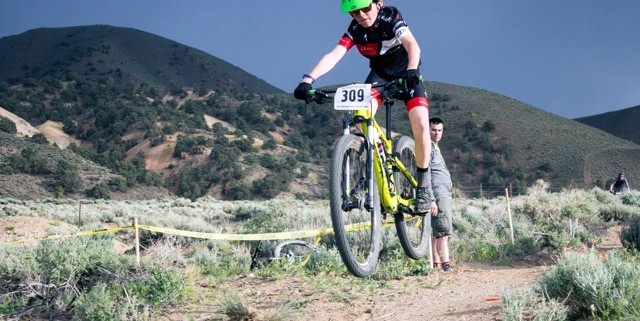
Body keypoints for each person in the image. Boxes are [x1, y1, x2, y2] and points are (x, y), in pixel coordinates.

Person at [293, 0, 433, 212]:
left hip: (406, 75)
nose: (360, 15)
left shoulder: (390, 16)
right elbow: (334, 55)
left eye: (365, 8)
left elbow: (412, 44)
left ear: (378, 4)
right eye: (353, 12)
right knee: (360, 121)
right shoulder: (356, 30)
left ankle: (423, 187)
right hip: (379, 78)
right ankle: (367, 175)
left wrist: (412, 69)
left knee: (421, 124)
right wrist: (307, 80)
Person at [426, 117, 453, 272]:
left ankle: (435, 263)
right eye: (434, 130)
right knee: (443, 231)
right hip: (438, 194)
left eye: (439, 130)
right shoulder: (428, 147)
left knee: (439, 232)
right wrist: (432, 199)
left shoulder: (435, 147)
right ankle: (446, 265)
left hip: (443, 194)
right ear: (428, 129)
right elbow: (425, 173)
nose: (437, 133)